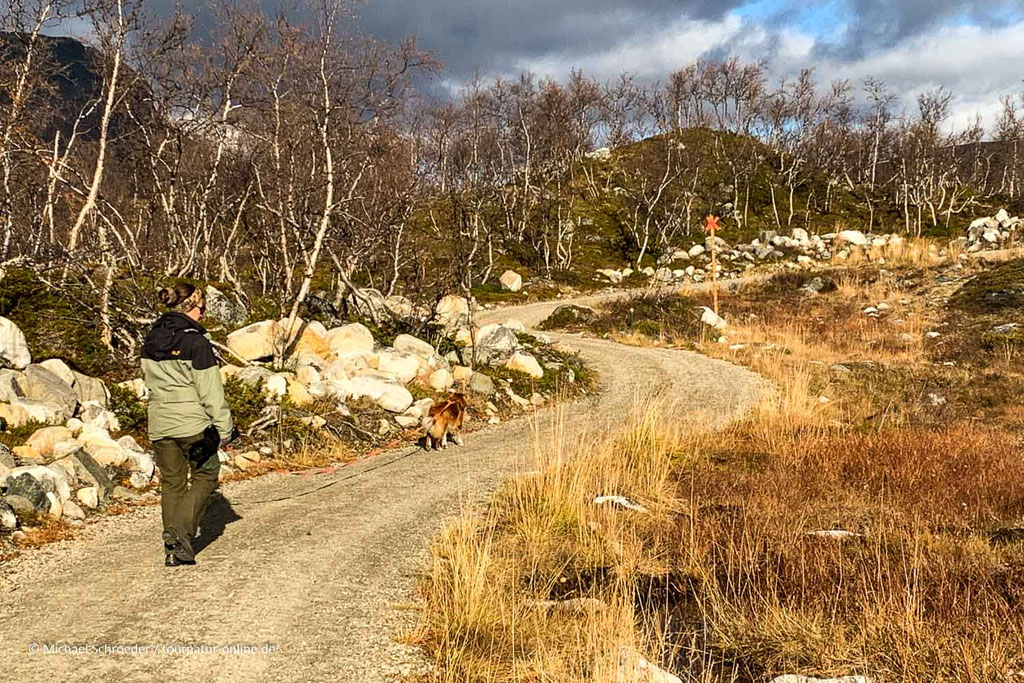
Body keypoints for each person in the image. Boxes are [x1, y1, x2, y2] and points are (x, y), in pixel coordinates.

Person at [142, 283, 234, 567]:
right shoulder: (197, 342)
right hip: (192, 423)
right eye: (203, 309)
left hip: (159, 422)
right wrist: (225, 428)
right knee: (207, 474)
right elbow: (210, 392)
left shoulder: (151, 338)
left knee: (172, 483)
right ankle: (181, 536)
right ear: (194, 308)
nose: (203, 314)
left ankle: (172, 542)